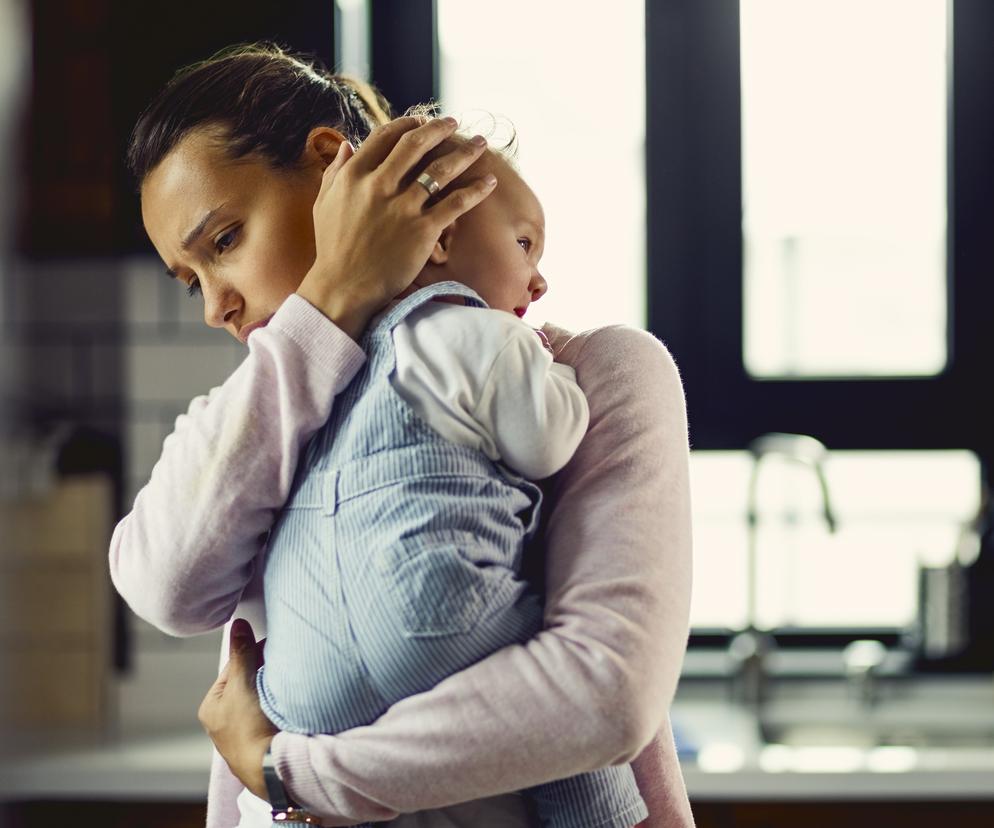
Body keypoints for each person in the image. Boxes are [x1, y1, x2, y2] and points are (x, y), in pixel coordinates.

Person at [110, 44, 695, 828]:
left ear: (328, 165)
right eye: (191, 279)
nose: (215, 306)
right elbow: (170, 588)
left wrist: (289, 772)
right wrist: (329, 307)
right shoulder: (244, 414)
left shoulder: (585, 375)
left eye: (224, 242)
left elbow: (604, 698)